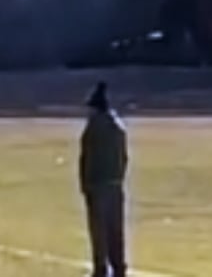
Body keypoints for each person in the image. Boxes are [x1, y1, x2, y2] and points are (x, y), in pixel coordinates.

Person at [79, 82, 128, 277]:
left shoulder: (93, 128)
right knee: (116, 230)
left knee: (99, 231)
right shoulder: (118, 128)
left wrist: (86, 185)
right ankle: (119, 267)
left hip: (98, 186)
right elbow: (124, 157)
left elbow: (87, 158)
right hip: (116, 185)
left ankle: (100, 268)